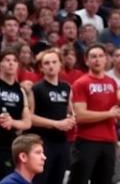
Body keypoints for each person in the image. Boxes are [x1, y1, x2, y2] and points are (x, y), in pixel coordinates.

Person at [68, 45, 120, 184]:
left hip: (108, 141)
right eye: (93, 57)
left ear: (106, 60)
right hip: (86, 141)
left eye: (100, 56)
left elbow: (114, 113)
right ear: (86, 61)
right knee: (78, 180)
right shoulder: (80, 83)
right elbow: (80, 116)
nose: (97, 60)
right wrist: (109, 113)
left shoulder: (112, 83)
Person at [30, 50, 74, 184]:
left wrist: (71, 120)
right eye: (46, 63)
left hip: (62, 142)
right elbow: (30, 118)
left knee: (58, 180)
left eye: (54, 62)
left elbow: (71, 112)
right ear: (41, 67)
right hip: (43, 142)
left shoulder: (66, 87)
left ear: (60, 65)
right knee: (40, 180)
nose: (51, 66)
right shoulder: (36, 89)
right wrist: (56, 123)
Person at [0, 50, 33, 175]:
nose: (11, 63)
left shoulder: (20, 90)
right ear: (0, 64)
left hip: (10, 145)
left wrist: (12, 122)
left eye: (14, 61)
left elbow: (27, 122)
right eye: (7, 60)